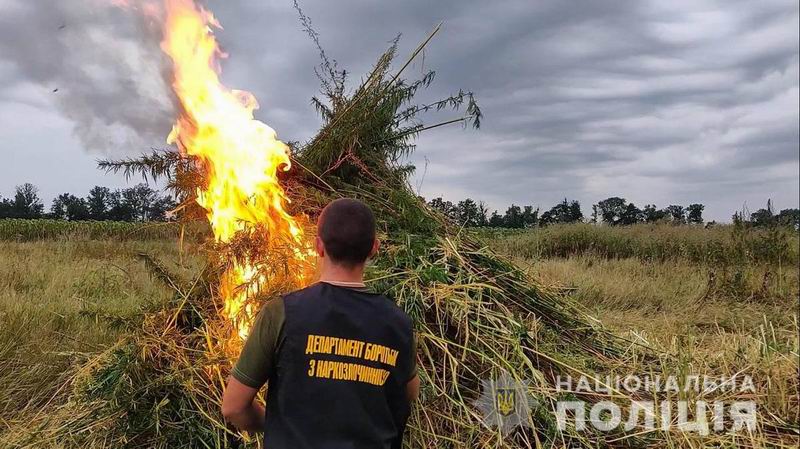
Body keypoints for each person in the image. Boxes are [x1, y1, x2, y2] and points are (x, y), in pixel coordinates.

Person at [222, 198, 419, 449]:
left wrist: (276, 424)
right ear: (374, 248)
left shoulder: (281, 313)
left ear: (318, 246)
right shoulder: (398, 322)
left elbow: (234, 407)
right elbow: (409, 393)